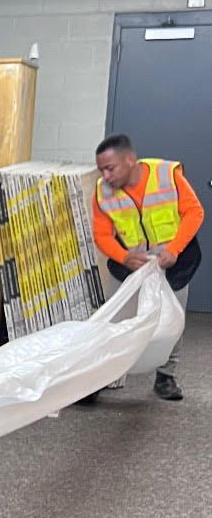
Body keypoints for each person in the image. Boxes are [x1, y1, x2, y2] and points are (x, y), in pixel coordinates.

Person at [87, 133, 204, 402]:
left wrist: (173, 249)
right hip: (131, 263)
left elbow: (194, 212)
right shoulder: (103, 191)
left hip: (174, 261)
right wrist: (124, 256)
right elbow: (102, 234)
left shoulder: (167, 175)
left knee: (173, 319)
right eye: (101, 169)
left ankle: (166, 376)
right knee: (114, 321)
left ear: (130, 160)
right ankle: (99, 377)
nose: (105, 175)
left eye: (110, 168)